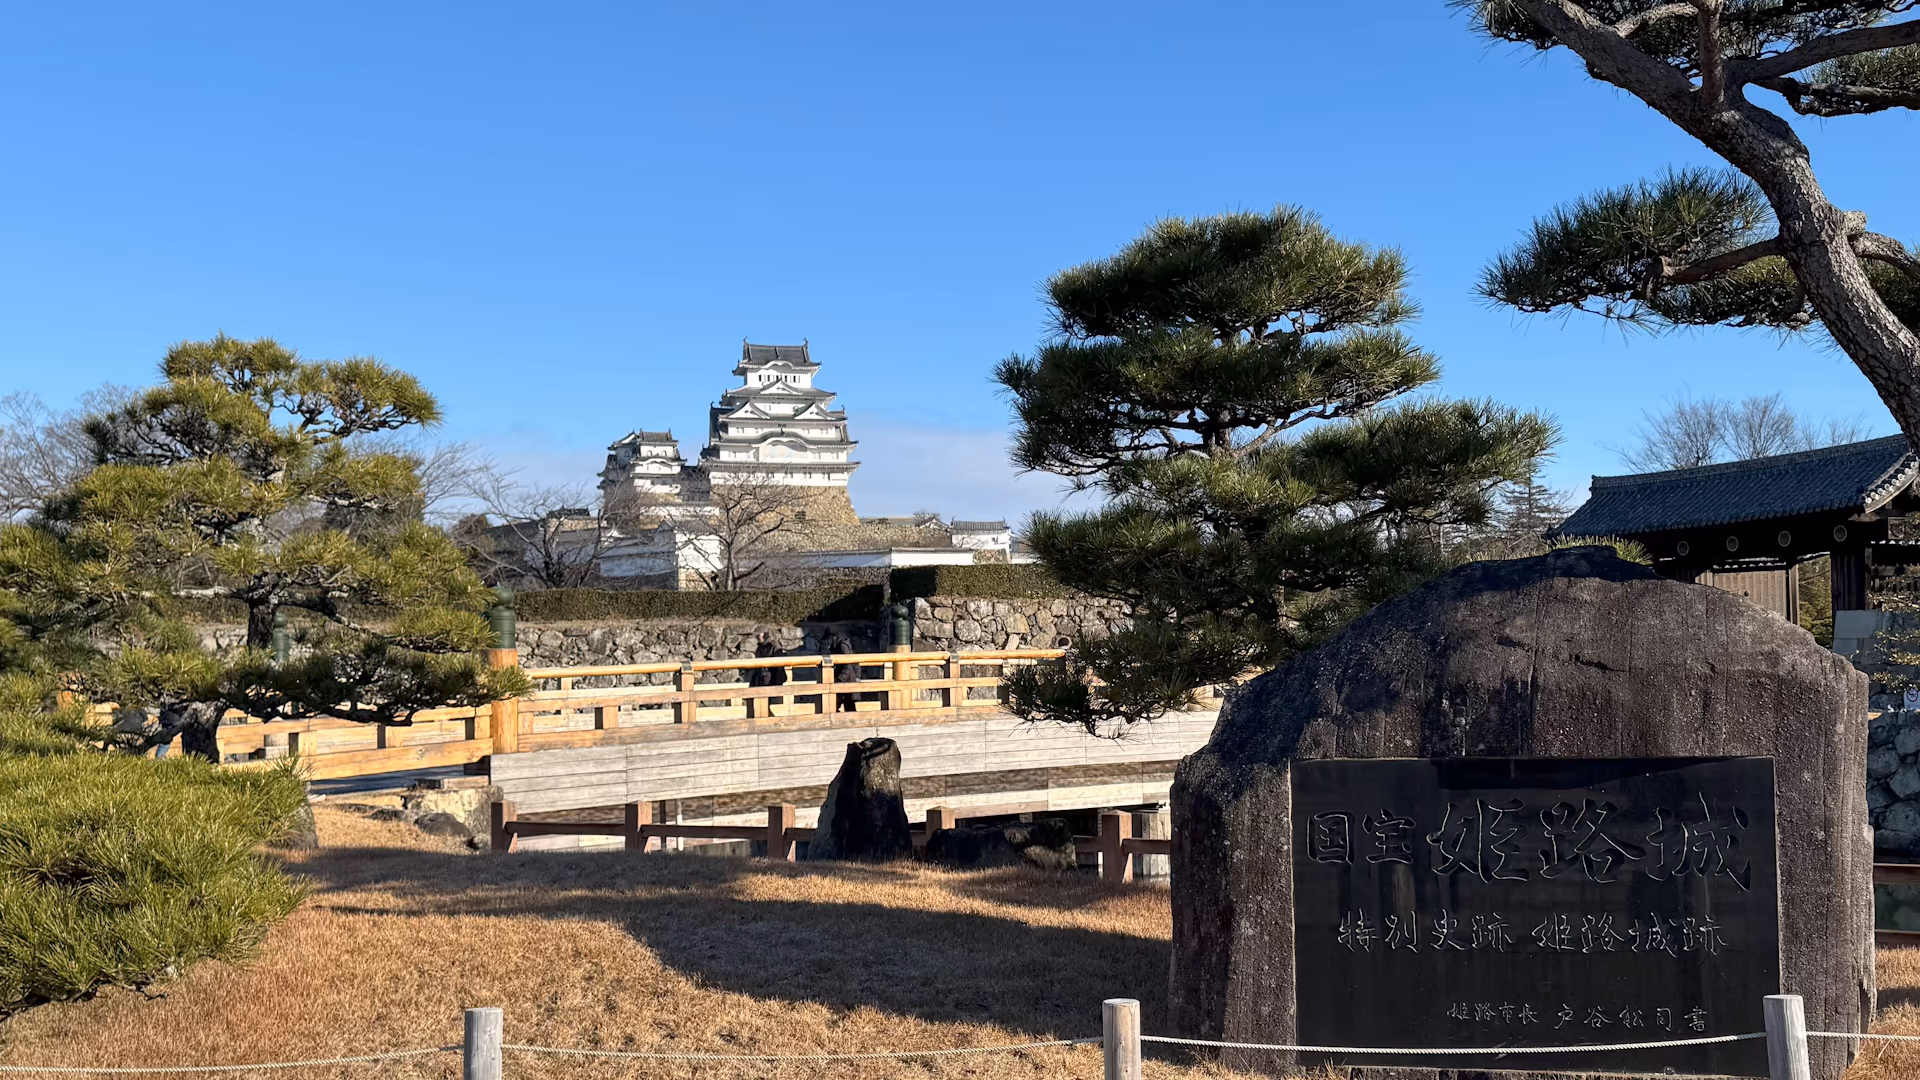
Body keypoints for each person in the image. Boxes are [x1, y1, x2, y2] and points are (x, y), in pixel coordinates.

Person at [748, 633, 786, 714]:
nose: (758, 636)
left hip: (772, 680)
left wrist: (778, 682)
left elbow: (780, 665)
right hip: (761, 680)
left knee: (772, 708)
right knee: (759, 707)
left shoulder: (774, 646)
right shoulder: (760, 647)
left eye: (760, 634)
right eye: (757, 635)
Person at [829, 634, 864, 713]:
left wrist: (840, 678)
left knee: (836, 703)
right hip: (848, 678)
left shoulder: (842, 646)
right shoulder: (843, 644)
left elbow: (847, 663)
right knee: (848, 704)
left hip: (846, 678)